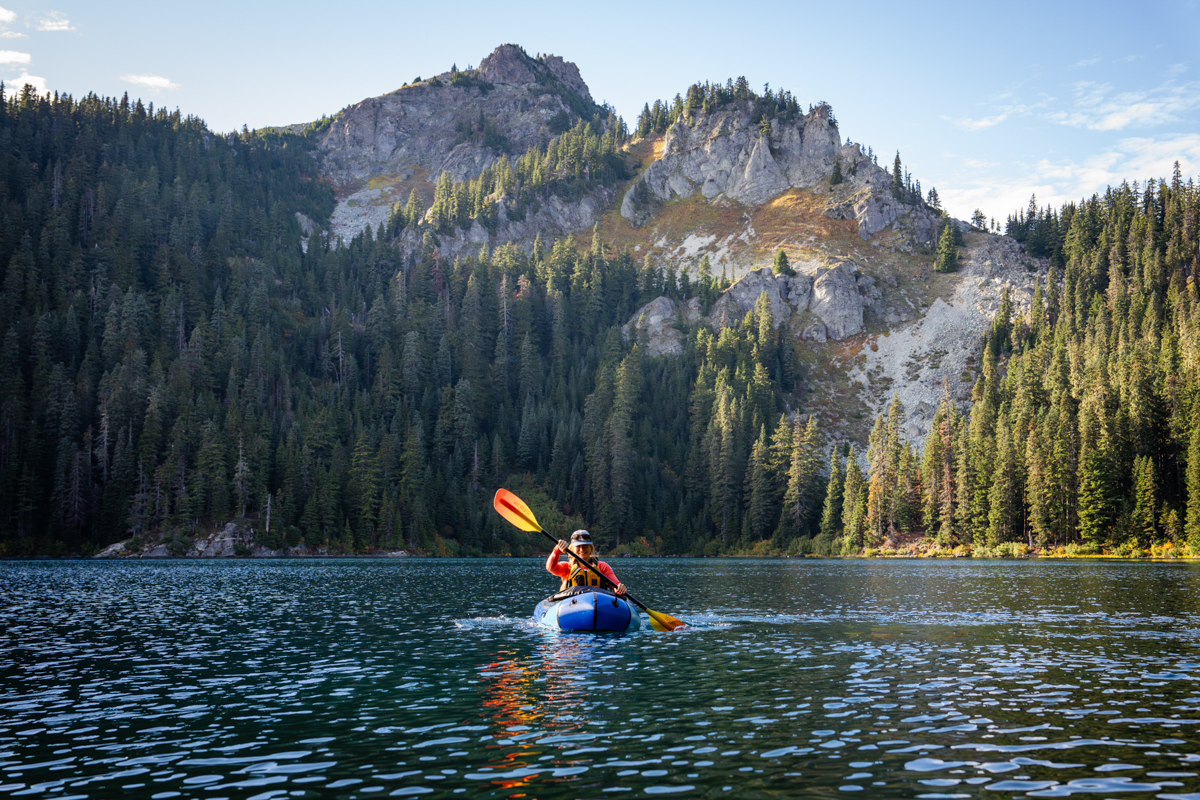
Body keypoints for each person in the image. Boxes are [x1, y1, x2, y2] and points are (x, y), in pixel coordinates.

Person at [545, 530, 627, 595]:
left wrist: (619, 588)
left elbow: (616, 585)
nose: (582, 550)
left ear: (590, 548)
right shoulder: (567, 567)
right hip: (572, 606)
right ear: (572, 548)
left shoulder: (602, 567)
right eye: (578, 546)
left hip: (599, 604)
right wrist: (557, 550)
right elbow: (550, 568)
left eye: (585, 546)